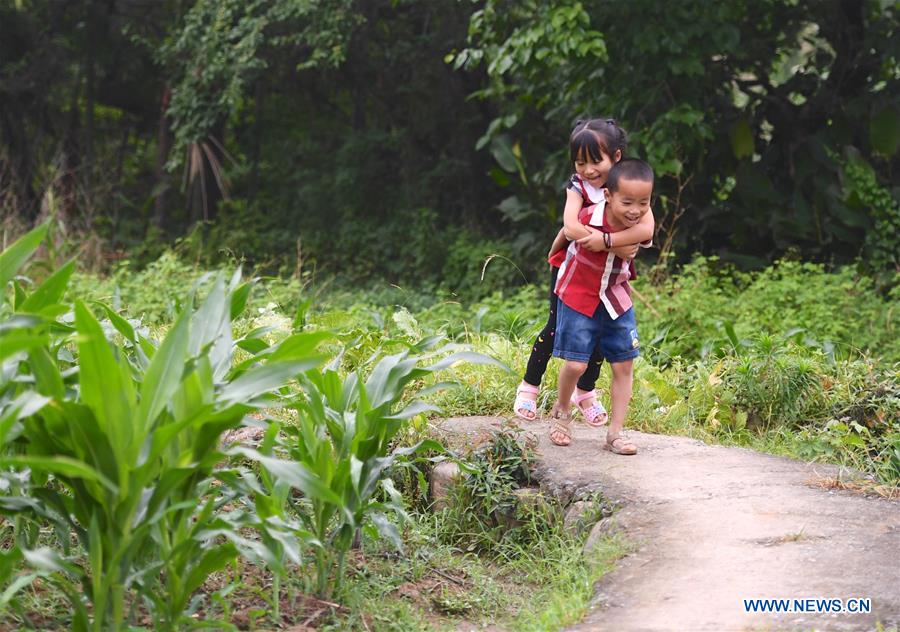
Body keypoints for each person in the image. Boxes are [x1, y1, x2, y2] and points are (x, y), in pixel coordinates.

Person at [513, 119, 653, 426]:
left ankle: (585, 391)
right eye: (580, 162)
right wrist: (611, 242)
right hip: (572, 270)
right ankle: (530, 385)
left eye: (595, 161)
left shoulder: (627, 183)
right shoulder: (578, 187)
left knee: (600, 333)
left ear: (616, 156)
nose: (588, 170)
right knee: (555, 328)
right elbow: (571, 227)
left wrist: (610, 243)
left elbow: (646, 228)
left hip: (608, 278)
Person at [548, 158, 656, 455]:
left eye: (643, 202)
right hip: (578, 295)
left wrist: (607, 241)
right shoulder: (587, 216)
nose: (635, 210)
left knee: (623, 364)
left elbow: (644, 235)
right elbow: (568, 231)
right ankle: (562, 411)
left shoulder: (638, 227)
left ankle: (615, 434)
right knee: (576, 364)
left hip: (615, 299)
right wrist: (555, 251)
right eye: (627, 202)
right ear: (608, 195)